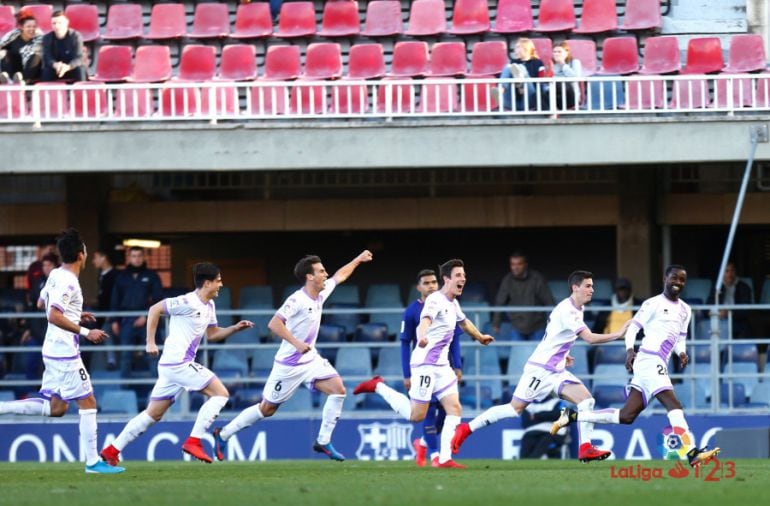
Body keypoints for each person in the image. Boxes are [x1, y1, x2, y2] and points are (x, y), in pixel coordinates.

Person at [550, 265, 721, 468]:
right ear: (665, 278)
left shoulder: (686, 309)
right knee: (674, 406)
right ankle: (692, 452)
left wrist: (681, 352)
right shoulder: (652, 304)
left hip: (658, 363)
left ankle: (573, 416)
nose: (678, 283)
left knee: (626, 416)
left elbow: (680, 338)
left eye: (682, 280)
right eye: (674, 278)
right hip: (649, 360)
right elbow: (634, 328)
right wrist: (630, 349)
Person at [451, 270, 629, 463]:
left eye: (593, 286)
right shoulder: (568, 311)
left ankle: (585, 447)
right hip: (540, 371)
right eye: (588, 286)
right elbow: (590, 339)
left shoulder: (576, 308)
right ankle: (466, 428)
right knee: (514, 409)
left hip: (557, 370)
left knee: (587, 402)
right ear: (575, 287)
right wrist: (618, 334)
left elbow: (554, 333)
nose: (592, 290)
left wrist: (563, 353)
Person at [212, 251, 374, 462]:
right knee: (267, 409)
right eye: (321, 271)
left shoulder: (321, 294)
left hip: (311, 360)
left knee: (338, 390)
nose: (326, 274)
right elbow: (274, 323)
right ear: (309, 276)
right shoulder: (296, 299)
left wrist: (358, 260)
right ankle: (223, 434)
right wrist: (297, 343)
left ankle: (323, 441)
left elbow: (340, 276)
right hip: (288, 365)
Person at [100, 263, 255, 465]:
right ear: (207, 283)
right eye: (218, 281)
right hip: (177, 363)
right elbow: (155, 309)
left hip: (172, 367)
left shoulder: (209, 305)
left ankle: (112, 450)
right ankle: (194, 441)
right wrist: (150, 341)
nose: (221, 284)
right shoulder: (187, 301)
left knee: (152, 414)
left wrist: (234, 328)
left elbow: (213, 334)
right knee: (221, 394)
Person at [0, 228, 124, 474]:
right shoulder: (68, 281)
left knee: (57, 408)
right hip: (64, 351)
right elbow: (53, 314)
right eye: (86, 249)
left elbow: (40, 302)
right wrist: (87, 332)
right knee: (88, 401)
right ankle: (92, 463)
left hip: (53, 348)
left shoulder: (56, 274)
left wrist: (75, 313)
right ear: (81, 255)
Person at [354, 259, 494, 469]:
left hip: (442, 366)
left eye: (464, 275)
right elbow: (424, 322)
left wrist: (480, 336)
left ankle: (444, 459)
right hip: (425, 364)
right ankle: (378, 386)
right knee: (416, 415)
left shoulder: (453, 303)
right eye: (458, 275)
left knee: (454, 408)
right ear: (446, 279)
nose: (463, 279)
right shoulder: (435, 301)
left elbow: (463, 323)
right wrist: (422, 337)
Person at [401, 268, 463, 467]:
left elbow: (454, 339)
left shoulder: (449, 303)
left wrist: (458, 365)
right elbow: (405, 342)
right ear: (419, 287)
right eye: (426, 283)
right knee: (423, 412)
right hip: (424, 365)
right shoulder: (412, 311)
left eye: (433, 282)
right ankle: (436, 455)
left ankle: (428, 446)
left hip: (444, 365)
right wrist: (406, 373)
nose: (431, 286)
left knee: (449, 410)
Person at [111, 246, 163, 375]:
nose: (137, 259)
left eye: (139, 256)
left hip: (148, 320)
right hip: (126, 321)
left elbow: (158, 299)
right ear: (129, 258)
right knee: (125, 356)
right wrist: (114, 321)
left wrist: (145, 316)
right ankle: (124, 391)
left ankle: (157, 391)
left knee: (152, 354)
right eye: (134, 256)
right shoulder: (121, 276)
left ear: (144, 257)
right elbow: (115, 299)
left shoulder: (152, 276)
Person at [492, 252, 554, 341]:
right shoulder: (507, 280)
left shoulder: (536, 278)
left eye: (519, 264)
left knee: (540, 354)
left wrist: (553, 323)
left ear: (525, 265)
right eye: (513, 264)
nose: (515, 267)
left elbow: (549, 301)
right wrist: (496, 323)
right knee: (518, 354)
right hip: (516, 326)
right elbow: (499, 302)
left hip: (537, 325)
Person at [21, 252, 59, 379]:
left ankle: (55, 395)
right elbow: (31, 305)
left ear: (56, 266)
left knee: (53, 365)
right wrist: (27, 328)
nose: (46, 268)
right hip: (36, 331)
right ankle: (31, 393)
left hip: (55, 331)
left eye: (49, 265)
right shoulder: (38, 282)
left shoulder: (63, 281)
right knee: (31, 362)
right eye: (44, 265)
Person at [706, 261, 752, 339]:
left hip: (737, 321)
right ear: (722, 274)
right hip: (719, 320)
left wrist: (730, 313)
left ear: (736, 272)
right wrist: (716, 313)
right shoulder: (717, 287)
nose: (730, 274)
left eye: (732, 271)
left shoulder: (744, 287)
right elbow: (708, 305)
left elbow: (747, 310)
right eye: (727, 271)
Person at [498, 38, 546, 111]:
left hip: (529, 98)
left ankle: (520, 80)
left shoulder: (538, 62)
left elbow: (542, 83)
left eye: (518, 47)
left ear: (525, 48)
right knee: (508, 67)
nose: (515, 50)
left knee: (520, 67)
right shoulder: (513, 61)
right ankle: (500, 92)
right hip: (514, 100)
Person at [41, 10, 87, 82]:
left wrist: (67, 67)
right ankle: (45, 92)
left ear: (66, 23)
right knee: (46, 71)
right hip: (56, 69)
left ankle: (82, 92)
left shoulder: (75, 36)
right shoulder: (47, 38)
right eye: (54, 23)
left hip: (71, 67)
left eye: (60, 23)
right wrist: (55, 65)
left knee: (80, 69)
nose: (57, 26)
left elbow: (79, 58)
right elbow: (47, 57)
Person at [92, 250, 119, 370]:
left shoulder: (115, 275)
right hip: (100, 313)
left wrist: (112, 314)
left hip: (111, 314)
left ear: (104, 258)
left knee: (106, 331)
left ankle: (111, 360)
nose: (93, 261)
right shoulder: (100, 275)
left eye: (96, 258)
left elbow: (115, 297)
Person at [519, 394, 568, 459]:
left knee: (546, 438)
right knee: (528, 438)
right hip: (534, 431)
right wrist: (549, 415)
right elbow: (526, 422)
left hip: (555, 432)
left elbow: (562, 416)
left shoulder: (558, 402)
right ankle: (523, 461)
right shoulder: (529, 405)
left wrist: (537, 416)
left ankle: (533, 460)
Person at [0, 11, 42, 84]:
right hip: (15, 71)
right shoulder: (13, 35)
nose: (32, 29)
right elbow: (1, 44)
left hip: (30, 70)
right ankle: (8, 80)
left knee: (36, 57)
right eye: (28, 26)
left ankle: (23, 82)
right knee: (3, 53)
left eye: (34, 26)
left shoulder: (39, 37)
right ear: (22, 27)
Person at [551, 41, 582, 111]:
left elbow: (575, 78)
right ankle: (552, 112)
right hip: (557, 96)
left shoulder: (575, 62)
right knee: (540, 91)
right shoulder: (553, 65)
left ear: (566, 53)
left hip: (571, 96)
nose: (556, 54)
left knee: (559, 83)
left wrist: (562, 63)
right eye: (554, 52)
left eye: (559, 52)